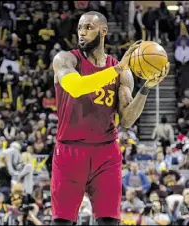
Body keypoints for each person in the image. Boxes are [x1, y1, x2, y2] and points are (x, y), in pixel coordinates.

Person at [51, 11, 170, 225]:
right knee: (62, 222)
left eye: (89, 27)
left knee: (109, 221)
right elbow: (77, 88)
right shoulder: (66, 60)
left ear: (103, 31)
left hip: (105, 152)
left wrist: (146, 88)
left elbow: (126, 120)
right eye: (80, 27)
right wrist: (116, 69)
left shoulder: (122, 72)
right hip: (69, 150)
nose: (82, 32)